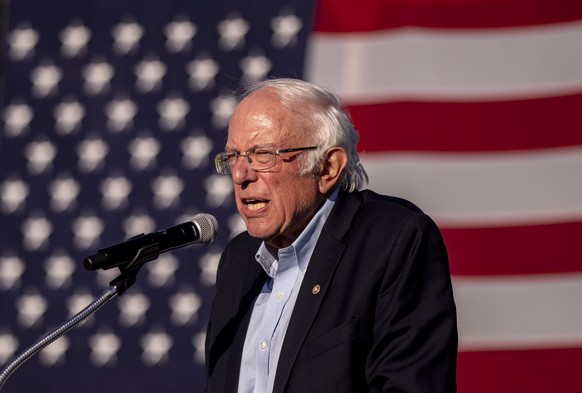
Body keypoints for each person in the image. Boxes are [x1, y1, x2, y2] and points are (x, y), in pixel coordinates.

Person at [205, 78, 457, 393]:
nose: (242, 175)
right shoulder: (238, 260)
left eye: (263, 155)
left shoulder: (394, 241)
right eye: (234, 157)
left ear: (327, 167)